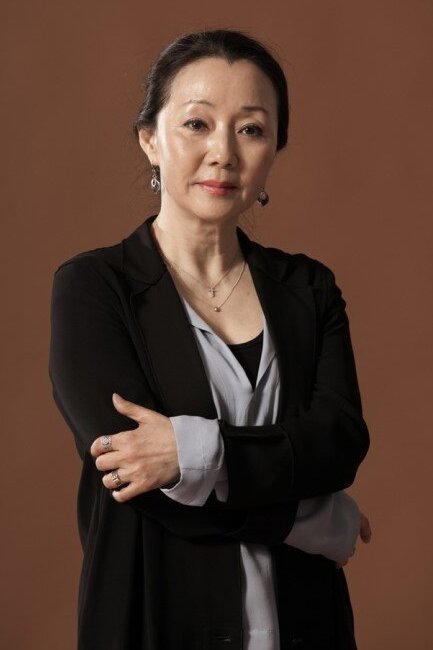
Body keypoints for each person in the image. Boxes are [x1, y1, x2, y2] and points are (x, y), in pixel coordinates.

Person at [48, 28, 371, 650]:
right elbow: (137, 480)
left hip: (307, 622)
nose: (223, 152)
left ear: (274, 148)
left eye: (251, 129)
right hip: (154, 619)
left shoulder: (308, 288)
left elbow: (339, 443)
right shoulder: (93, 286)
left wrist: (194, 453)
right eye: (197, 124)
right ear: (150, 139)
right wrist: (313, 519)